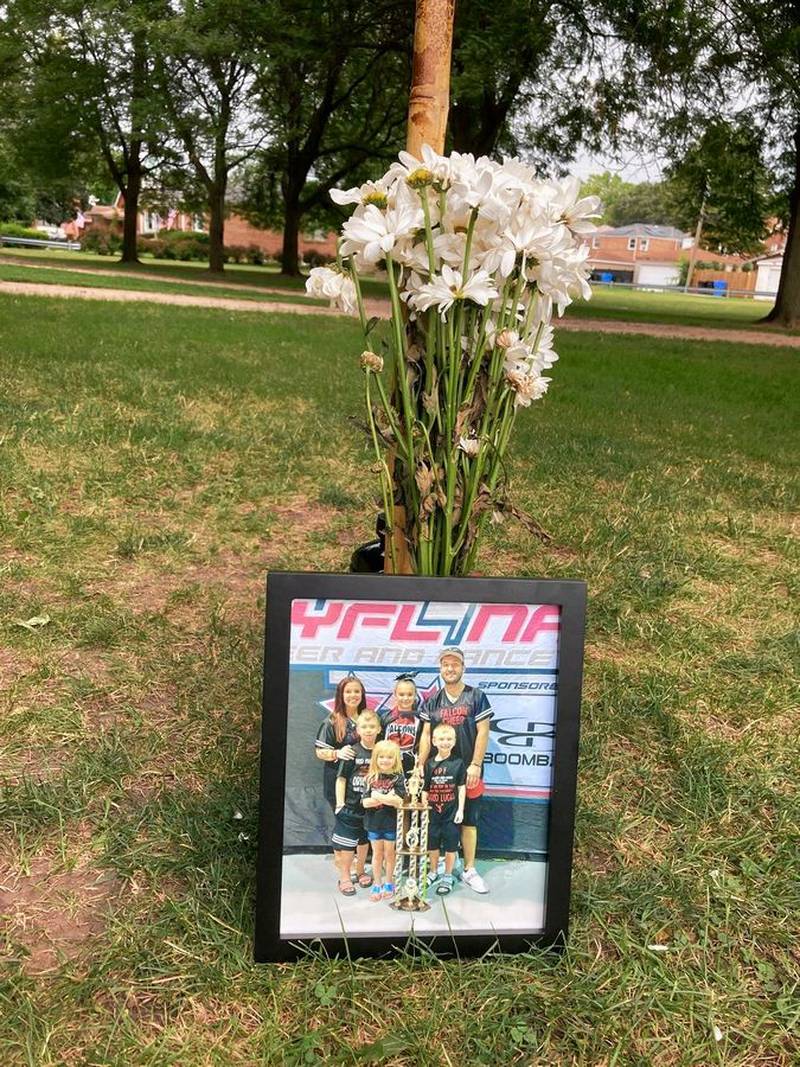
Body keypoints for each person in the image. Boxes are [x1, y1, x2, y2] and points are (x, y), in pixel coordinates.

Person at [418, 646, 492, 894]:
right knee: (438, 822)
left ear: (463, 667)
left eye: (455, 664)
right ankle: (438, 867)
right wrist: (420, 766)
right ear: (440, 668)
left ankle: (469, 868)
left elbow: (483, 731)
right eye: (445, 665)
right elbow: (427, 734)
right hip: (440, 773)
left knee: (469, 821)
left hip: (468, 771)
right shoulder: (432, 701)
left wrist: (476, 764)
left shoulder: (476, 695)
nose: (450, 669)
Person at [332, 709, 382, 896]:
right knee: (347, 845)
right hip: (351, 807)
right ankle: (345, 876)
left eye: (372, 726)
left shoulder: (382, 751)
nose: (368, 730)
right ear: (358, 730)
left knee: (363, 841)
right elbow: (341, 778)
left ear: (379, 728)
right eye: (364, 727)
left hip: (373, 809)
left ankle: (360, 871)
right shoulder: (351, 751)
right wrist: (340, 803)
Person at [422, 723, 466, 895]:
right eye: (441, 739)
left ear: (454, 741)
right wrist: (425, 807)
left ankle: (447, 875)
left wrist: (460, 810)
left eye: (449, 739)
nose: (445, 742)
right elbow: (425, 789)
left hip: (450, 814)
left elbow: (462, 787)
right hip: (433, 814)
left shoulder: (458, 763)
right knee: (432, 844)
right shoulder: (429, 764)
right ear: (434, 741)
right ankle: (433, 872)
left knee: (450, 846)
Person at [361, 740, 406, 901]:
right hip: (374, 823)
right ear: (375, 758)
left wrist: (377, 796)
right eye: (381, 757)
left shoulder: (398, 778)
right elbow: (365, 803)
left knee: (389, 854)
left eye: (389, 757)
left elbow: (399, 801)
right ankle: (377, 883)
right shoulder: (370, 778)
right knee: (377, 854)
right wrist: (388, 798)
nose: (385, 760)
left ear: (396, 759)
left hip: (391, 823)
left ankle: (389, 882)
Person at [315, 676, 366, 811]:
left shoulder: (369, 719)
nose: (353, 695)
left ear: (362, 694)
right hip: (337, 778)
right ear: (341, 695)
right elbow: (319, 751)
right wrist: (337, 753)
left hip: (362, 779)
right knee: (343, 820)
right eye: (348, 691)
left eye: (357, 691)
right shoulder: (331, 721)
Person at [379, 674, 421, 776]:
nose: (405, 698)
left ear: (415, 694)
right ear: (395, 694)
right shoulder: (385, 718)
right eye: (401, 694)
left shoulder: (420, 719)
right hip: (387, 766)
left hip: (411, 768)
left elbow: (423, 746)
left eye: (410, 694)